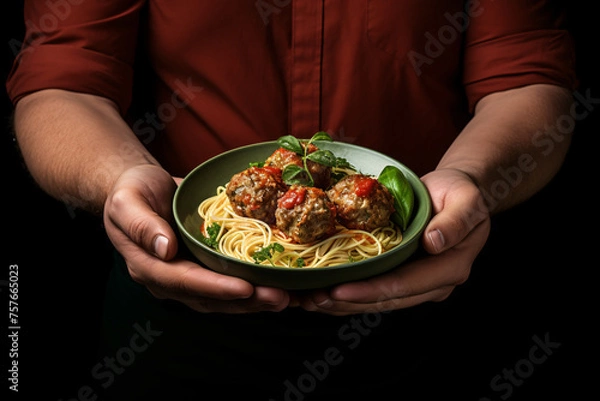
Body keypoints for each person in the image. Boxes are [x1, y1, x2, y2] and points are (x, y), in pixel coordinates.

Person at [6, 1, 578, 399]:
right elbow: (63, 78)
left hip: (429, 310)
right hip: (172, 315)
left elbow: (526, 76)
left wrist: (469, 176)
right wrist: (120, 176)